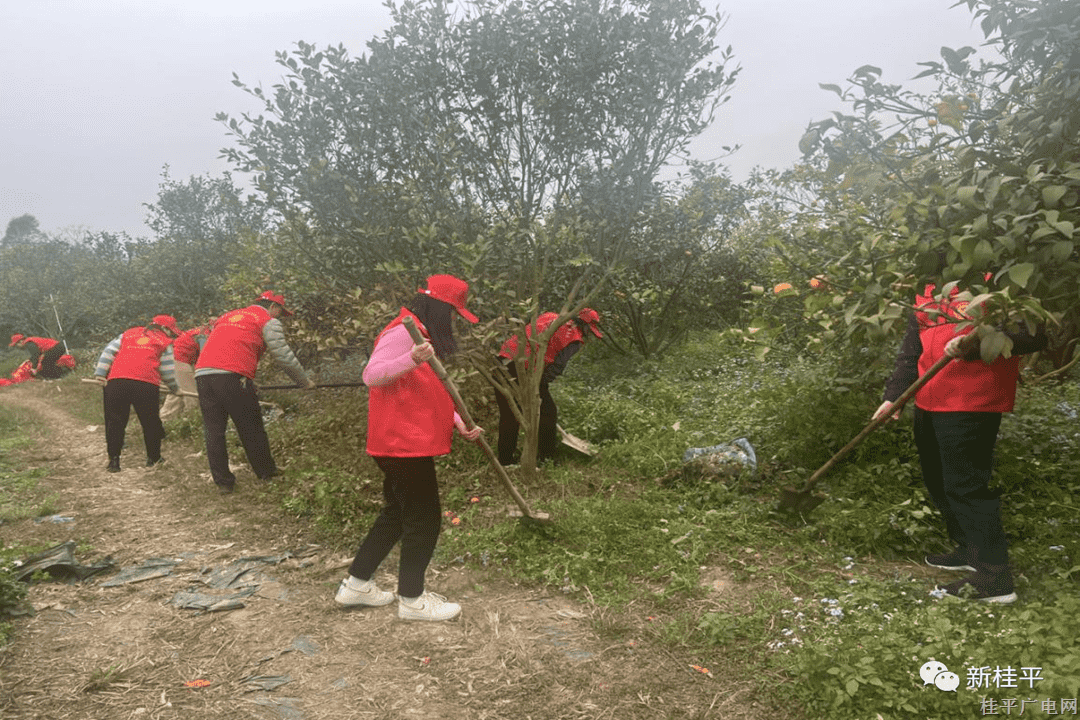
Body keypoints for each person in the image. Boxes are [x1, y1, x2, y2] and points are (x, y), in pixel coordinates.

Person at [873, 281, 1046, 604]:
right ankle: (968, 548)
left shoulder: (996, 288)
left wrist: (974, 346)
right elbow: (912, 351)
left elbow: (1034, 336)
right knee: (937, 480)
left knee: (965, 486)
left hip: (972, 402)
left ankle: (995, 577)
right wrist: (893, 396)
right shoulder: (925, 294)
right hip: (929, 399)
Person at [335, 274, 483, 622]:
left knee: (397, 514)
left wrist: (461, 424)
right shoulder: (405, 332)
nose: (454, 323)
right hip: (402, 443)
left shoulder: (422, 336)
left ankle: (357, 585)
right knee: (424, 520)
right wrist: (412, 358)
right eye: (453, 313)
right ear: (440, 307)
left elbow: (429, 391)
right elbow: (372, 376)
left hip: (403, 441)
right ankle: (413, 600)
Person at [194, 291, 316, 494]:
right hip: (231, 375)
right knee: (251, 425)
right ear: (273, 307)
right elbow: (283, 356)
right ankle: (266, 472)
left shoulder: (228, 316)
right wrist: (304, 382)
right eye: (280, 313)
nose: (279, 317)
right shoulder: (267, 320)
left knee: (214, 430)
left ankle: (224, 483)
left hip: (203, 374)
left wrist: (248, 379)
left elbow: (226, 347)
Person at [494, 308, 602, 466]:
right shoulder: (574, 337)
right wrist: (540, 385)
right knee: (548, 413)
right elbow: (557, 366)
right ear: (585, 326)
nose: (589, 334)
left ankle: (505, 460)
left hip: (503, 359)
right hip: (524, 368)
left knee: (509, 413)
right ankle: (546, 458)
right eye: (590, 330)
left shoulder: (550, 316)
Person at [93, 315, 181, 472]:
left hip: (117, 381)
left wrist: (100, 373)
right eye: (171, 331)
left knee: (115, 422)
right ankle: (153, 459)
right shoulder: (165, 342)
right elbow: (167, 370)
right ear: (166, 329)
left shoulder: (129, 333)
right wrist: (174, 388)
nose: (171, 335)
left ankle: (114, 462)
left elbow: (109, 351)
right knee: (150, 422)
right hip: (146, 383)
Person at [159, 321, 212, 420]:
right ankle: (194, 421)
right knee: (192, 396)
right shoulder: (204, 334)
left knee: (178, 393)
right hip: (179, 360)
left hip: (172, 360)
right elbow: (205, 357)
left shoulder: (200, 331)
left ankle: (164, 420)